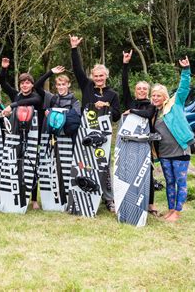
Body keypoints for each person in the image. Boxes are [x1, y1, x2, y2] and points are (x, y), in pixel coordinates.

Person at [69, 35, 120, 212]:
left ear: (106, 76)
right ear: (92, 76)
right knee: (82, 164)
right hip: (85, 131)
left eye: (101, 75)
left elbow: (116, 115)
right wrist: (74, 48)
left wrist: (106, 106)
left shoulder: (112, 94)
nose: (98, 78)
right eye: (96, 75)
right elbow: (77, 69)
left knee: (103, 167)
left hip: (103, 136)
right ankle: (82, 196)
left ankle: (109, 199)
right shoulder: (87, 86)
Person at [151, 56, 193, 222]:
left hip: (180, 150)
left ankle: (177, 212)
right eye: (153, 95)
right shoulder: (154, 113)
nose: (155, 98)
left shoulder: (174, 104)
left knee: (180, 181)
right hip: (164, 153)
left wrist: (186, 70)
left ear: (165, 96)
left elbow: (183, 88)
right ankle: (170, 209)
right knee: (169, 182)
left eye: (158, 95)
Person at [0, 57, 43, 210]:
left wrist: (12, 105)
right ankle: (15, 192)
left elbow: (31, 103)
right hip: (16, 135)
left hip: (32, 136)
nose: (25, 85)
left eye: (28, 82)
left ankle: (34, 199)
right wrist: (4, 68)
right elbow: (3, 83)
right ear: (20, 85)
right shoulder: (16, 95)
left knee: (32, 166)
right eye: (22, 83)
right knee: (15, 164)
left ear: (31, 84)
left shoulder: (36, 96)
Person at [121, 50, 158, 216]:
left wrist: (132, 111)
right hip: (130, 143)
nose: (142, 90)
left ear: (147, 91)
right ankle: (129, 200)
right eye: (139, 88)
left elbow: (148, 115)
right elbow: (124, 84)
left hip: (145, 144)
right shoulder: (131, 101)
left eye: (144, 89)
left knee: (147, 174)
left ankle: (149, 205)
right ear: (136, 91)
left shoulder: (151, 105)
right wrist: (125, 64)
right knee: (130, 171)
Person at [34, 65, 81, 139]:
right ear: (56, 86)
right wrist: (51, 72)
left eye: (63, 84)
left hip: (68, 137)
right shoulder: (52, 97)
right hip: (52, 136)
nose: (61, 87)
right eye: (59, 85)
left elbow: (76, 120)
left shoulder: (74, 101)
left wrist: (51, 116)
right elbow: (37, 86)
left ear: (68, 85)